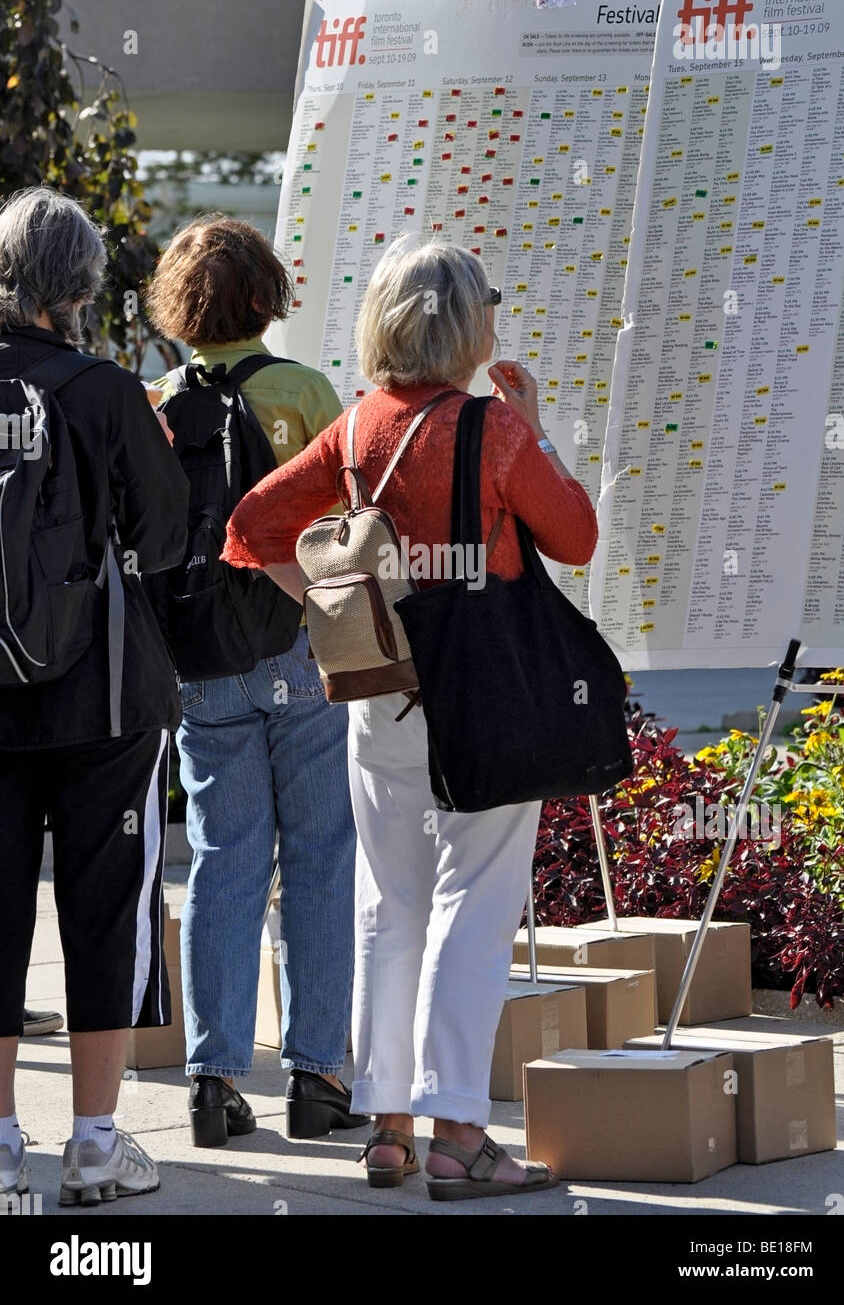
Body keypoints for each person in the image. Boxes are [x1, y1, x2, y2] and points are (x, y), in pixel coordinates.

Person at [222, 235, 598, 1200]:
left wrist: (330, 613)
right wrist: (536, 426)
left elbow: (251, 526)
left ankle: (387, 1124)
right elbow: (577, 536)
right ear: (468, 325)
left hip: (380, 693)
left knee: (386, 904)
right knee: (472, 905)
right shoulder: (494, 431)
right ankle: (459, 1134)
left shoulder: (355, 431)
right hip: (487, 699)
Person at [147, 217, 367, 1147]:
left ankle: (213, 1083)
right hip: (300, 650)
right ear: (265, 295)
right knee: (319, 858)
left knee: (223, 866)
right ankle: (316, 1076)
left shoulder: (157, 399)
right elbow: (350, 522)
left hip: (201, 665)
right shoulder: (304, 391)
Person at [0, 186, 189, 1205]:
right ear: (78, 284)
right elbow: (164, 541)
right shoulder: (107, 392)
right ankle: (93, 1141)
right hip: (100, 698)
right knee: (105, 909)